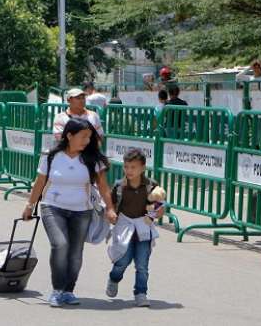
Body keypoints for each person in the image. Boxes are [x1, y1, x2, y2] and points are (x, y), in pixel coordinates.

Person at [22, 118, 117, 307]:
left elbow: (104, 187)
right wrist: (29, 205)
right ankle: (57, 290)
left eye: (89, 137)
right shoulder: (51, 156)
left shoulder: (92, 159)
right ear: (69, 135)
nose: (87, 141)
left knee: (75, 253)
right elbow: (39, 182)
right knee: (60, 244)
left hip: (82, 211)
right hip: (52, 207)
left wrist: (110, 208)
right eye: (83, 137)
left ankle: (68, 291)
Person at [106, 149, 164, 307]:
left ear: (143, 168)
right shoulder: (119, 186)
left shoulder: (151, 185)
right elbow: (109, 206)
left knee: (142, 265)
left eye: (133, 167)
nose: (129, 171)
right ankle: (114, 278)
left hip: (144, 230)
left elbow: (160, 205)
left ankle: (140, 293)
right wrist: (110, 213)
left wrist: (156, 212)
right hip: (124, 228)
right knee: (122, 262)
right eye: (126, 167)